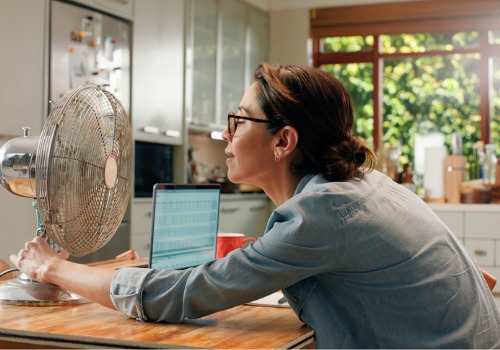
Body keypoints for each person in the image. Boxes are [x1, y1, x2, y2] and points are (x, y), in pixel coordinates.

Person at [11, 64, 500, 348]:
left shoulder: (323, 213)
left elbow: (176, 295)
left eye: (239, 120)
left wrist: (53, 267)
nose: (227, 134)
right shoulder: (369, 185)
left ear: (284, 140)